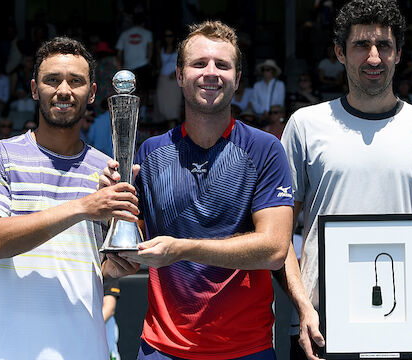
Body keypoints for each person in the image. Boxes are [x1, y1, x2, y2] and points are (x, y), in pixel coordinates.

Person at [279, 1, 412, 359]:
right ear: (340, 53)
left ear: (399, 54)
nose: (374, 57)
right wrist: (303, 308)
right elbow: (279, 236)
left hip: (410, 321)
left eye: (385, 46)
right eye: (361, 45)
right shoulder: (305, 125)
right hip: (322, 325)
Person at [101, 20, 294, 360]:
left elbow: (274, 249)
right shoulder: (148, 153)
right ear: (179, 75)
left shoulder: (265, 149)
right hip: (162, 347)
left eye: (223, 64)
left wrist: (182, 249)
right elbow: (128, 251)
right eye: (199, 63)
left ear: (238, 79)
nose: (211, 72)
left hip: (246, 348)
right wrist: (112, 212)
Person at [0, 36, 139, 359]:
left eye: (76, 81)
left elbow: (102, 266)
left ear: (91, 93)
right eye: (52, 80)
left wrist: (119, 264)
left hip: (83, 349)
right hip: (4, 350)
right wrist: (82, 207)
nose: (64, 90)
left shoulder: (106, 170)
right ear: (35, 89)